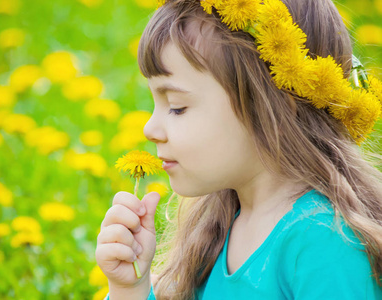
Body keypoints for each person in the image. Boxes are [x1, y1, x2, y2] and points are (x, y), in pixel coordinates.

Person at [95, 0, 382, 299]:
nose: (149, 129)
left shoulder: (324, 243)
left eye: (177, 107)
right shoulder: (214, 231)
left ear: (275, 107)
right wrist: (130, 288)